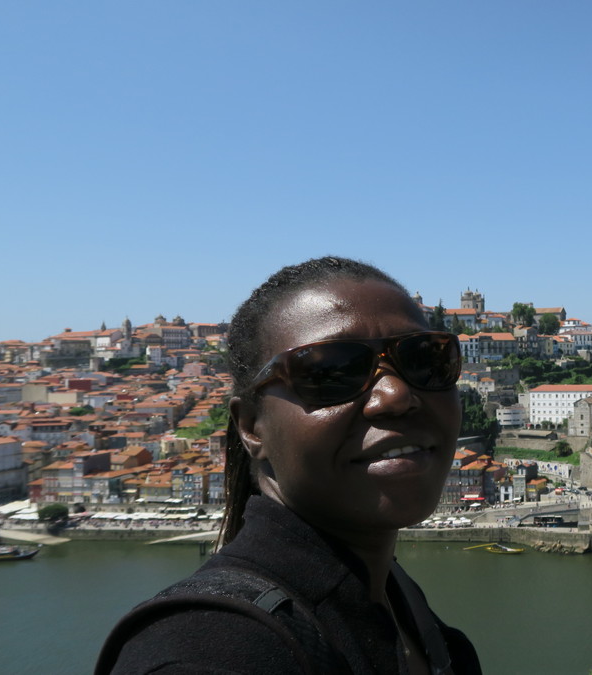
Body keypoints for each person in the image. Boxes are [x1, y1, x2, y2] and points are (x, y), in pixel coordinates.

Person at [98, 256, 481, 674]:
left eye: (426, 359)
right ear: (251, 426)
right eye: (331, 371)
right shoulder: (211, 649)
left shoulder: (398, 602)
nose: (395, 394)